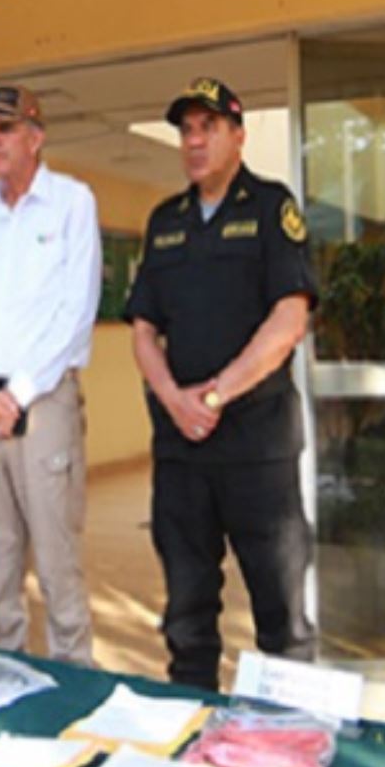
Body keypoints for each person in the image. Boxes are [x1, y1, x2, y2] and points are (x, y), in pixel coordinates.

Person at [126, 78, 319, 691]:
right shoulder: (166, 222)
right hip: (183, 450)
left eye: (208, 126)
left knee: (280, 614)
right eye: (186, 129)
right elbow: (142, 330)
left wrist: (214, 395)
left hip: (257, 447)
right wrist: (174, 400)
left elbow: (290, 318)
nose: (195, 140)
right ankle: (192, 732)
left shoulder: (269, 208)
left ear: (238, 135)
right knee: (186, 614)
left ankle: (290, 747)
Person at [0, 86, 101, 665]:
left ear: (36, 138)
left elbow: (75, 311)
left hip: (43, 406)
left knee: (58, 571)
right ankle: (4, 680)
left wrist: (18, 394)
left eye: (6, 130)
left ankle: (75, 691)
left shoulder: (71, 204)